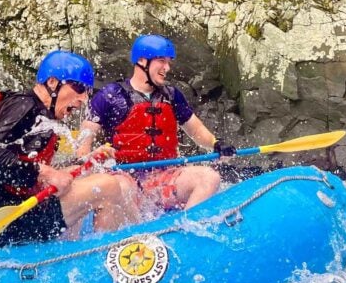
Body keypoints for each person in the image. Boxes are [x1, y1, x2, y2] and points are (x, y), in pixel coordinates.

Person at [0, 50, 138, 247]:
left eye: (87, 92)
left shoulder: (43, 117)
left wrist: (86, 161)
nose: (84, 99)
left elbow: (27, 167)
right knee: (106, 186)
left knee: (117, 184)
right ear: (52, 82)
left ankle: (84, 252)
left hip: (16, 211)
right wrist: (46, 173)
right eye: (78, 87)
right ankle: (120, 249)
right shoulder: (24, 106)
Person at [76, 34, 232, 210]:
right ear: (142, 61)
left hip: (164, 176)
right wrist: (91, 158)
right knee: (122, 188)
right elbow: (83, 146)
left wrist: (215, 143)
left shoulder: (172, 95)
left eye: (168, 62)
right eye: (161, 61)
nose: (167, 68)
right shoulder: (110, 95)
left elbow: (195, 130)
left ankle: (184, 228)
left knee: (210, 177)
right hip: (124, 177)